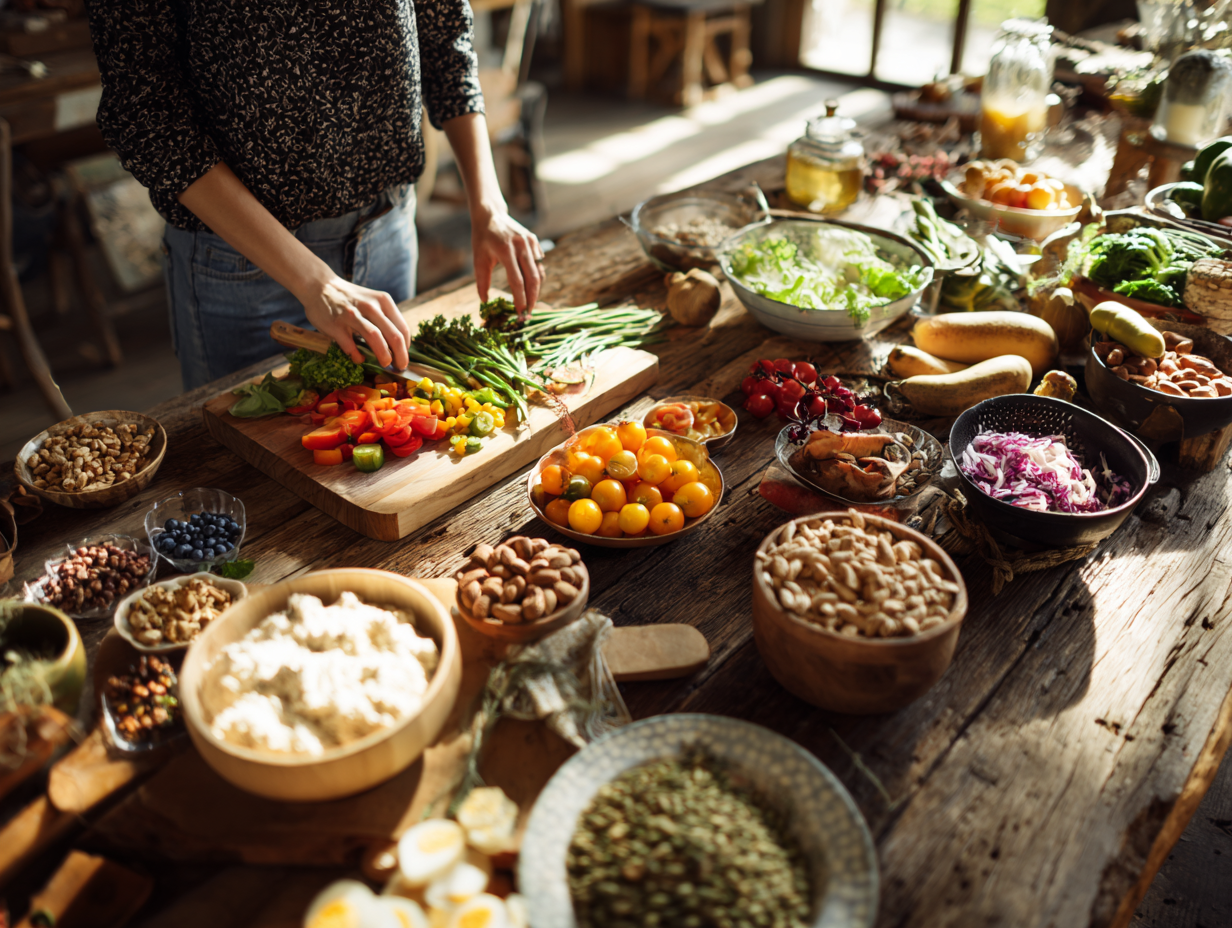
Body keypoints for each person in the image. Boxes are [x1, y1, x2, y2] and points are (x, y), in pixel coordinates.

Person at [84, 0, 544, 390]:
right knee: (248, 478)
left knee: (387, 451)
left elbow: (445, 37)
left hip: (387, 231)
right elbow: (145, 112)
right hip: (243, 266)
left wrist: (489, 205)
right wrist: (313, 281)